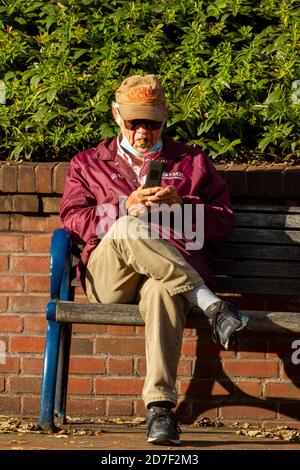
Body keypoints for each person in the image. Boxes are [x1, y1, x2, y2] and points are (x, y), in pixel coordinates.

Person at [60, 74, 248, 446]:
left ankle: (160, 411)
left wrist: (184, 206)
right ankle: (211, 305)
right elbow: (72, 219)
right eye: (133, 123)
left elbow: (224, 222)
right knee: (127, 226)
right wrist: (119, 207)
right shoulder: (88, 163)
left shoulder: (192, 162)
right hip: (109, 276)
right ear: (116, 116)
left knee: (164, 291)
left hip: (166, 273)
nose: (142, 132)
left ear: (165, 119)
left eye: (151, 123)